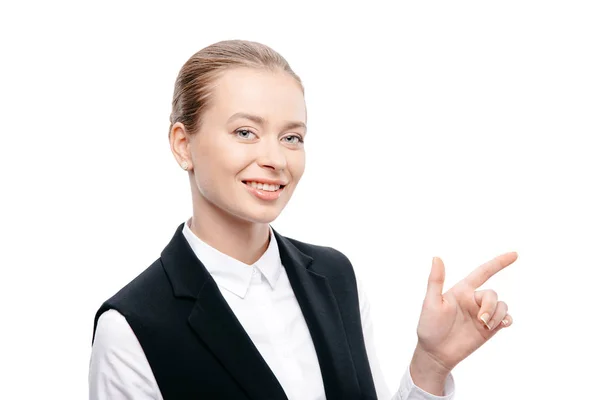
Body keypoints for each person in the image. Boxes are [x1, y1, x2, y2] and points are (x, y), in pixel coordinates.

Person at [88, 40, 517, 400]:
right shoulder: (131, 328)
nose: (275, 159)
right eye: (245, 132)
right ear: (183, 145)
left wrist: (431, 365)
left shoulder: (335, 276)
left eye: (291, 137)